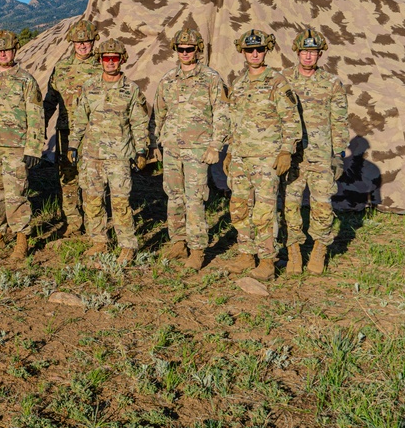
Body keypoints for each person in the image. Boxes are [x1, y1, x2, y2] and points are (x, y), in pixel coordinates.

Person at [223, 29, 302, 281]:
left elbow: (291, 119)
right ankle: (247, 254)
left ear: (266, 50)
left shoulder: (277, 82)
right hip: (240, 156)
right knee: (238, 208)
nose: (254, 54)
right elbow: (234, 121)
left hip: (266, 157)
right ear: (242, 52)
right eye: (249, 50)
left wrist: (286, 151)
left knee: (264, 212)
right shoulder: (239, 83)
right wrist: (230, 151)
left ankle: (267, 260)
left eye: (259, 49)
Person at [153, 28, 229, 270]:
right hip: (172, 148)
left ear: (198, 50)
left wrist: (216, 145)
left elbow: (222, 112)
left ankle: (197, 249)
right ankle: (178, 241)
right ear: (175, 50)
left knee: (195, 198)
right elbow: (160, 113)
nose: (186, 53)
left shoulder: (211, 78)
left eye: (190, 49)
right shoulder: (167, 79)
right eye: (181, 49)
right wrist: (158, 142)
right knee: (174, 196)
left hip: (198, 149)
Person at [68, 38, 150, 263]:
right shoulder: (90, 87)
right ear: (100, 60)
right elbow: (79, 118)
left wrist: (142, 150)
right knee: (92, 200)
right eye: (106, 58)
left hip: (119, 156)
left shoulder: (131, 89)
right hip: (92, 155)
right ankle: (99, 241)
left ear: (121, 60)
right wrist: (73, 144)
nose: (110, 62)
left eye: (115, 58)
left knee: (121, 202)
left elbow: (139, 122)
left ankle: (127, 245)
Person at [0, 31, 45, 261]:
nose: (3, 53)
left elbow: (36, 115)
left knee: (16, 194)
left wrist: (33, 147)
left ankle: (21, 238)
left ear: (15, 51)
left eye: (7, 49)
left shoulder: (25, 80)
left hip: (16, 147)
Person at [282, 28, 349, 275]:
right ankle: (294, 252)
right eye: (304, 52)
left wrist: (338, 154)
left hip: (321, 155)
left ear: (320, 54)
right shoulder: (283, 79)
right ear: (297, 52)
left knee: (322, 204)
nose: (308, 57)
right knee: (290, 204)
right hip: (293, 155)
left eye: (313, 52)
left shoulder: (332, 83)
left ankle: (320, 249)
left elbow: (339, 120)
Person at [43, 19, 100, 238]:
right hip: (66, 132)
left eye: (86, 41)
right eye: (78, 41)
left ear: (93, 41)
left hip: (93, 133)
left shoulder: (101, 66)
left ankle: (94, 222)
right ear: (72, 42)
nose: (83, 45)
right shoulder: (62, 67)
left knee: (93, 179)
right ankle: (73, 222)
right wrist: (40, 125)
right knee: (68, 178)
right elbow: (50, 101)